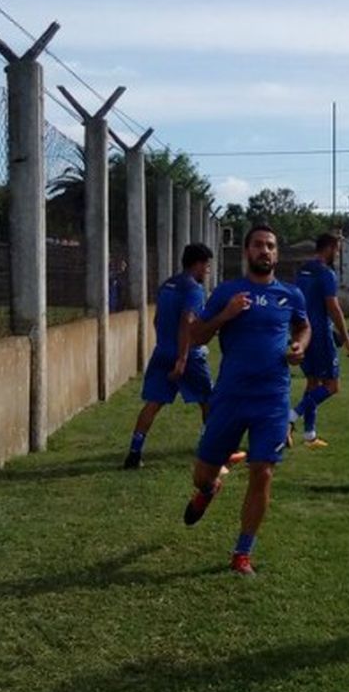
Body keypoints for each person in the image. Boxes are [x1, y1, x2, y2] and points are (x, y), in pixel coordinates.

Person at [181, 225, 309, 576]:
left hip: (272, 398)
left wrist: (301, 346)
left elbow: (303, 327)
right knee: (202, 473)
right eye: (258, 245)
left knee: (262, 470)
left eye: (270, 246)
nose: (264, 251)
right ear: (246, 252)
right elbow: (195, 336)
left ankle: (242, 553)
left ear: (276, 254)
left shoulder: (291, 295)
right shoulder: (228, 291)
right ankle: (208, 490)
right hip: (231, 396)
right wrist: (226, 315)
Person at [123, 243, 215, 469]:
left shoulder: (167, 285)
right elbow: (187, 322)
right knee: (209, 401)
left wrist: (165, 344)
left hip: (162, 352)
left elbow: (157, 320)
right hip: (187, 356)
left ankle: (134, 452)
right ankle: (209, 449)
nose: (208, 271)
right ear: (198, 264)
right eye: (207, 266)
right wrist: (182, 358)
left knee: (153, 403)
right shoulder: (193, 289)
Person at [290, 233, 349, 448]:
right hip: (319, 335)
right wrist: (347, 339)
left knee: (312, 383)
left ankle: (310, 434)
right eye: (337, 250)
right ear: (328, 249)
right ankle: (292, 415)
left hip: (302, 333)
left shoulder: (302, 270)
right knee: (332, 386)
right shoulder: (326, 274)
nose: (337, 254)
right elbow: (334, 309)